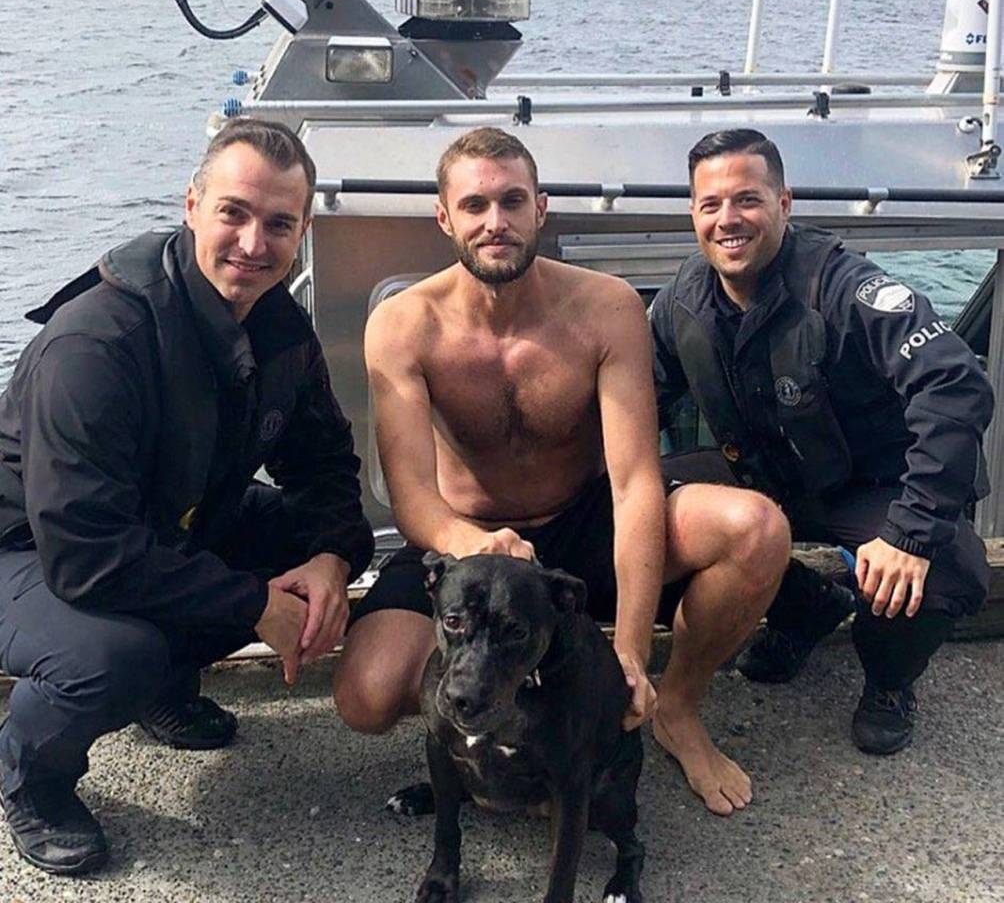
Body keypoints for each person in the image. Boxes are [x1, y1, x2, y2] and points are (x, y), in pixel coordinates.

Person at [333, 127, 791, 817]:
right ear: (444, 217)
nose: (496, 222)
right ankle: (500, 733)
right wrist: (473, 544)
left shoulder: (606, 307)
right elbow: (414, 498)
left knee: (755, 529)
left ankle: (677, 708)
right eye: (475, 205)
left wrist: (629, 653)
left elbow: (634, 483)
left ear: (540, 208)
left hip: (582, 518)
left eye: (512, 201)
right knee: (364, 697)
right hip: (468, 539)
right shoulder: (405, 325)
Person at [0, 119, 373, 875]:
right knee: (112, 656)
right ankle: (31, 778)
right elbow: (88, 556)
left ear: (301, 233)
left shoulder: (278, 326)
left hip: (164, 522)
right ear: (192, 205)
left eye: (279, 224)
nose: (253, 244)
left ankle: (164, 688)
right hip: (30, 549)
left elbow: (325, 465)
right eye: (234, 213)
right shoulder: (96, 345)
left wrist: (333, 561)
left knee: (305, 539)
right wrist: (254, 604)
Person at [649, 127, 994, 756]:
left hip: (871, 484)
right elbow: (636, 399)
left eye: (747, 200)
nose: (728, 220)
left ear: (784, 204)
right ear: (693, 215)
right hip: (766, 478)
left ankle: (888, 679)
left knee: (944, 568)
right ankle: (804, 608)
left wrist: (910, 531)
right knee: (642, 516)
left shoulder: (844, 288)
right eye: (711, 204)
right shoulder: (684, 302)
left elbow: (954, 382)